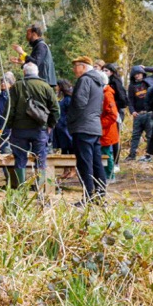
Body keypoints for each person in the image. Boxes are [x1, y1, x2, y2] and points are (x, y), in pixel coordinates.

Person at [7, 61, 60, 190]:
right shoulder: (46, 86)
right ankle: (39, 191)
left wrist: (9, 126)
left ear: (24, 72)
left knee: (19, 159)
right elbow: (56, 109)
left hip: (19, 130)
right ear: (37, 73)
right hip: (40, 129)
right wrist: (50, 125)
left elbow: (10, 109)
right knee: (40, 159)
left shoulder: (16, 87)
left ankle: (21, 191)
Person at [65, 56, 107, 202]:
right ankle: (100, 194)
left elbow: (79, 103)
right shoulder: (98, 82)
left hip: (83, 127)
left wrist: (70, 120)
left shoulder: (84, 80)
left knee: (84, 163)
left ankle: (88, 196)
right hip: (94, 126)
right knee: (96, 162)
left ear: (83, 66)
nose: (73, 69)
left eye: (75, 66)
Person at [127, 66, 153, 160]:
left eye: (139, 74)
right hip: (138, 114)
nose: (137, 76)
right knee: (135, 135)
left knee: (150, 135)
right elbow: (130, 100)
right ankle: (132, 155)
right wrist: (132, 111)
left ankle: (149, 155)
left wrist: (146, 68)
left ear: (143, 73)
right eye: (135, 74)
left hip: (149, 113)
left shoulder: (149, 81)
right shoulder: (132, 86)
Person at [100, 77, 120, 182]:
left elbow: (113, 115)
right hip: (104, 129)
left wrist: (100, 124)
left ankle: (110, 175)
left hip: (106, 130)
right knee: (104, 152)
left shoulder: (107, 94)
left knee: (106, 153)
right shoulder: (104, 93)